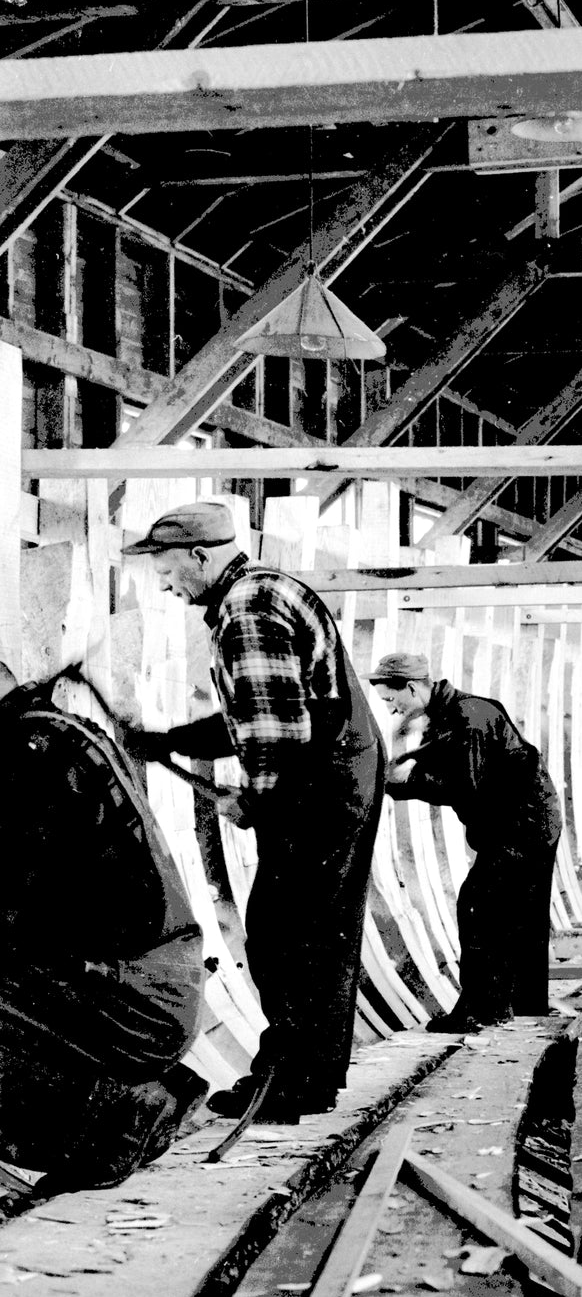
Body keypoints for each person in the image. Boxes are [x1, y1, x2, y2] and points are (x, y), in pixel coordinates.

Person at [123, 502, 384, 1125]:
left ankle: (285, 1084)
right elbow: (256, 709)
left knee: (283, 936)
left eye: (168, 570)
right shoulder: (264, 591)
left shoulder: (246, 612)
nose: (165, 585)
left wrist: (257, 800)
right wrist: (171, 740)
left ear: (199, 556)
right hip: (341, 778)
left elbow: (275, 732)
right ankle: (311, 1080)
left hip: (319, 789)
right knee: (320, 935)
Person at [0, 661, 208, 1189]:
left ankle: (119, 1118)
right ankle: (143, 1095)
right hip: (157, 993)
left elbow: (22, 902)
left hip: (137, 1003)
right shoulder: (56, 732)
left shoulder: (27, 752)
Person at [369, 654, 562, 1030]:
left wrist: (405, 783)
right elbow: (440, 765)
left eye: (392, 699)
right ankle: (525, 1006)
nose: (392, 709)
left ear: (412, 688)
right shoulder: (452, 713)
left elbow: (465, 787)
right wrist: (399, 778)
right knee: (523, 914)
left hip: (521, 824)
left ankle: (480, 1010)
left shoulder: (467, 718)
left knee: (479, 908)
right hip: (533, 817)